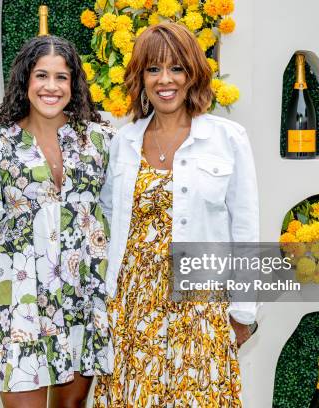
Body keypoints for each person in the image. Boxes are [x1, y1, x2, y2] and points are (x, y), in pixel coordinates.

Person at [94, 23, 259, 407]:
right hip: (133, 308)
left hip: (201, 306)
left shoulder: (228, 139)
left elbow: (246, 229)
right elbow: (105, 222)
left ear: (193, 74)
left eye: (176, 68)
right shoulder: (123, 142)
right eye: (153, 69)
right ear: (140, 78)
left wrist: (243, 312)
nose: (164, 80)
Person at [0, 35, 114, 408]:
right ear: (25, 81)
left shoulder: (99, 142)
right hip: (19, 305)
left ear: (74, 85)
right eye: (42, 75)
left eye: (62, 77)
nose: (52, 87)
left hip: (81, 301)